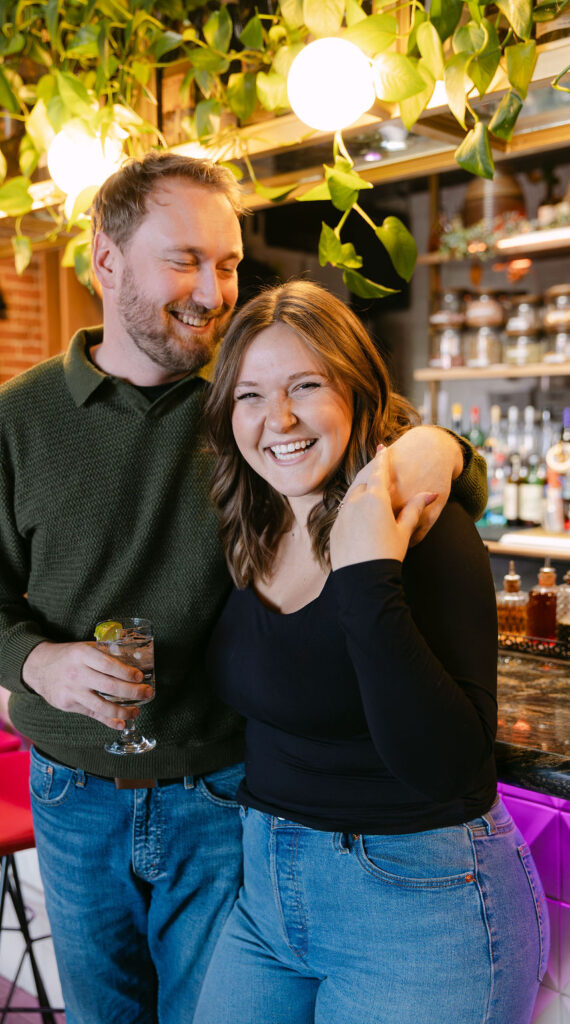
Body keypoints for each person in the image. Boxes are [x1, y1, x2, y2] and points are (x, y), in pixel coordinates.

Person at [0, 154, 489, 1024]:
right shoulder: (16, 419)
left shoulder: (250, 404)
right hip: (73, 787)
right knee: (103, 1016)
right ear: (106, 260)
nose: (212, 289)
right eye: (183, 259)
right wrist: (40, 662)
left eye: (228, 263)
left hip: (221, 785)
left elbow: (412, 451)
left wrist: (445, 448)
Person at [193, 279, 549, 1024]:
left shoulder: (422, 524)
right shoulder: (248, 525)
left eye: (306, 385)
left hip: (418, 902)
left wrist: (366, 579)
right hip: (265, 890)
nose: (278, 419)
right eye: (250, 395)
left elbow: (447, 764)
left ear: (356, 390)